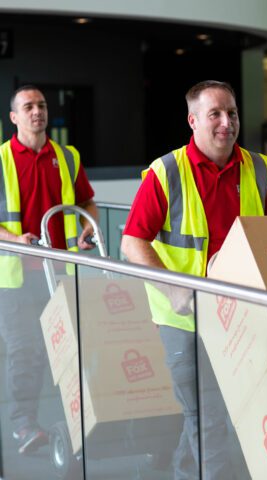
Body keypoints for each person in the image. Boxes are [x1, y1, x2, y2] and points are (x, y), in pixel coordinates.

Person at [121, 80, 267, 479]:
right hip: (185, 320)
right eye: (214, 113)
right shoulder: (166, 172)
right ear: (192, 120)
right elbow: (132, 242)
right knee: (210, 419)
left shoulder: (261, 169)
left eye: (231, 113)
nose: (225, 122)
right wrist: (175, 288)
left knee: (215, 416)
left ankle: (183, 472)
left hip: (244, 317)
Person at [0, 85, 98, 455]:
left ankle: (78, 420)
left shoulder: (67, 157)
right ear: (14, 117)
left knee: (69, 350)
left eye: (40, 105)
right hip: (16, 277)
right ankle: (23, 425)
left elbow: (87, 199)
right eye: (28, 107)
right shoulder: (2, 159)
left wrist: (89, 225)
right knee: (25, 352)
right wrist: (13, 238)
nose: (36, 111)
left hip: (61, 271)